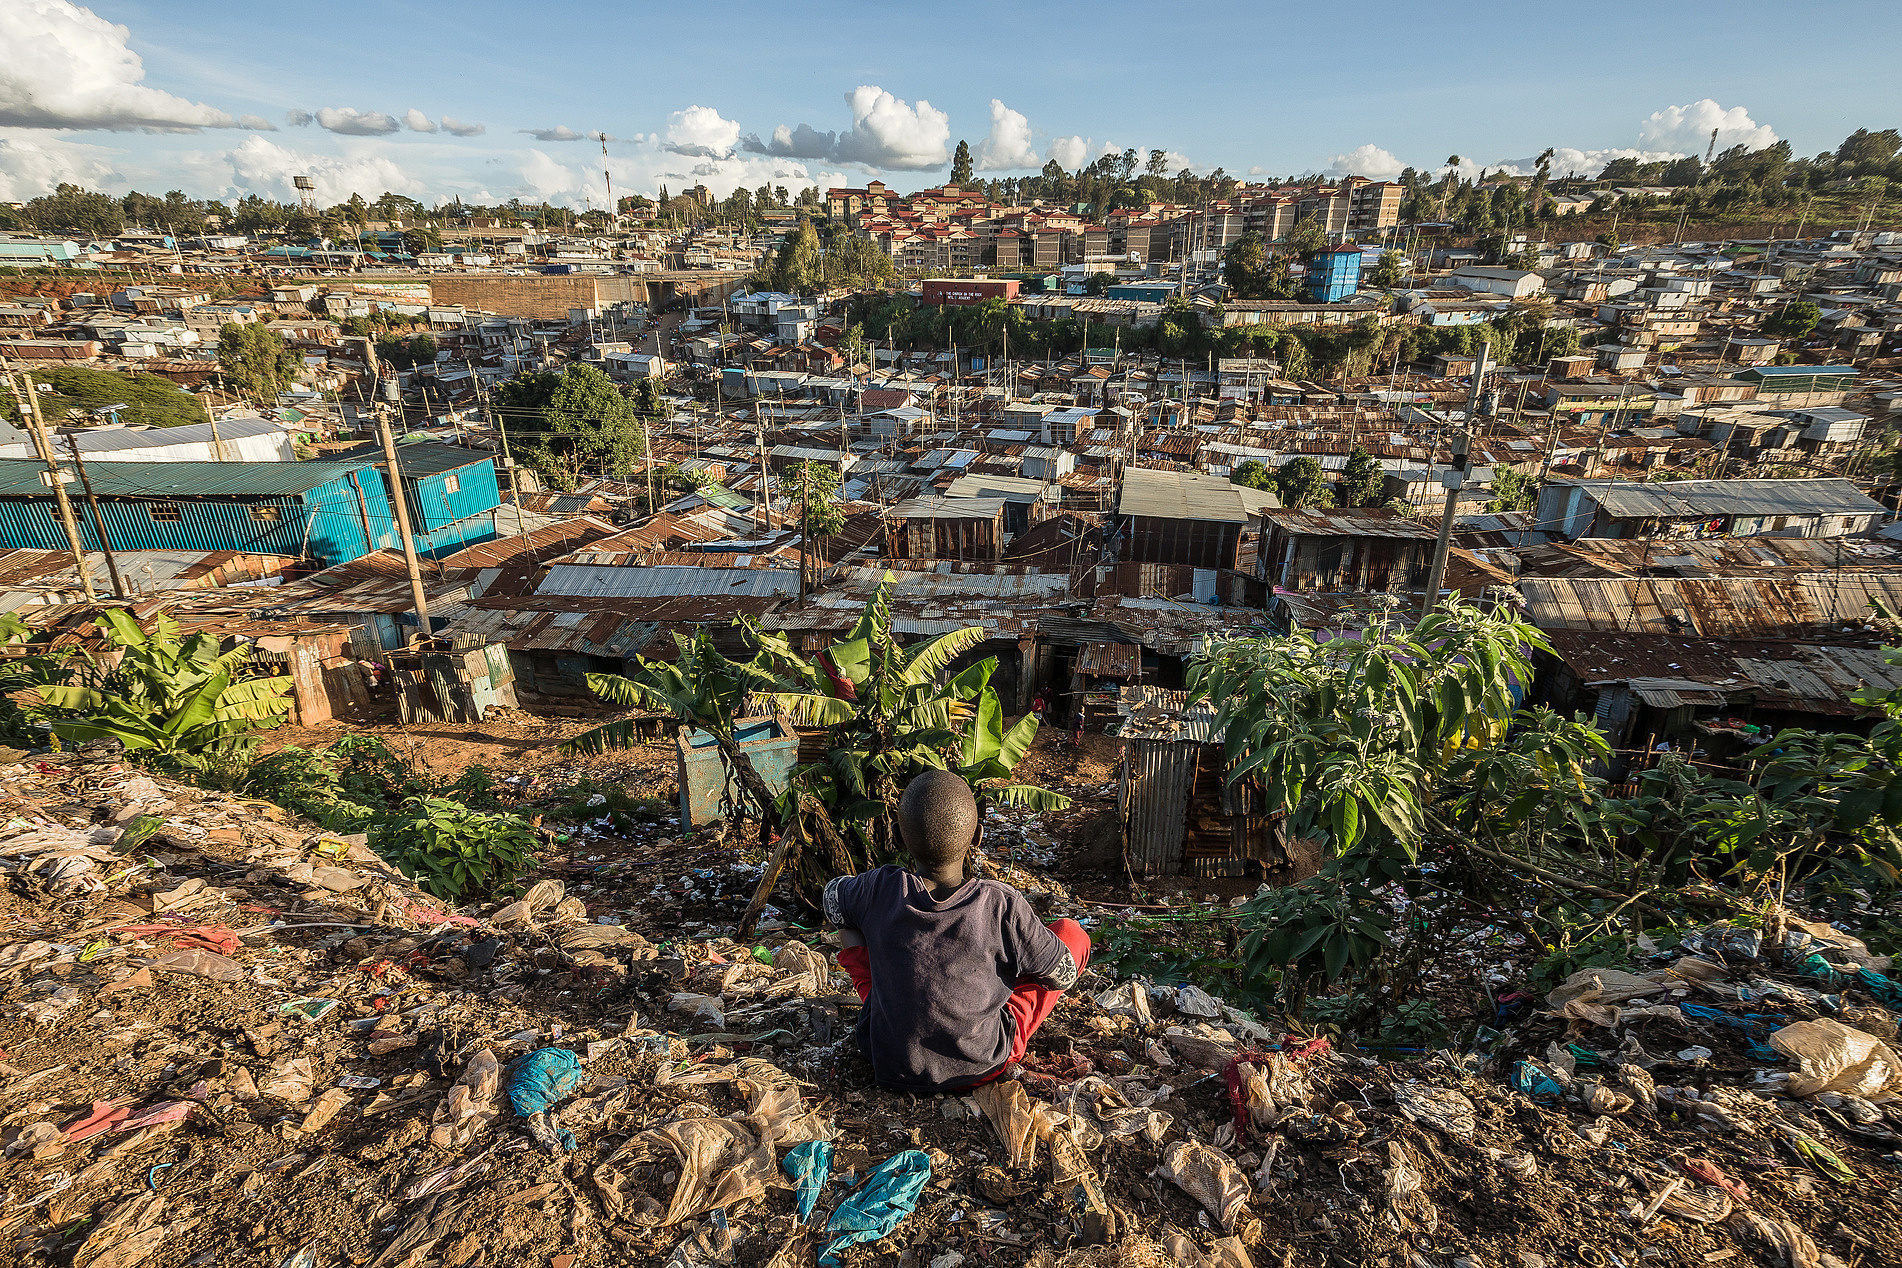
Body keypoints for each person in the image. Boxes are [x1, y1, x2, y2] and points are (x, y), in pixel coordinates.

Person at [825, 769, 1090, 1093]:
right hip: (982, 1063)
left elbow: (833, 901)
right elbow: (1062, 977)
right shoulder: (1001, 904)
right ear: (977, 836)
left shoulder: (879, 887)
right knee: (1071, 932)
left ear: (896, 835)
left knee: (855, 923)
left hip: (888, 1056)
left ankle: (877, 1001)